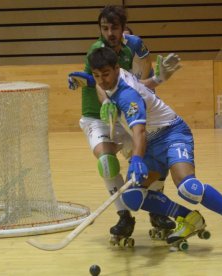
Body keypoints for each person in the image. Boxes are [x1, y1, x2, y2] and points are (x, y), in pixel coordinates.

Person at [90, 46, 222, 253]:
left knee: (187, 187)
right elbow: (120, 87)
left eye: (106, 74)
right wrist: (86, 79)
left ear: (116, 68)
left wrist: (137, 160)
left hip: (171, 133)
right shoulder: (116, 78)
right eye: (96, 76)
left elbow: (138, 132)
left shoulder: (127, 95)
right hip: (151, 142)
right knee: (131, 196)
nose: (102, 81)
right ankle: (189, 218)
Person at [68, 5, 178, 241]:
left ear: (123, 28)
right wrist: (106, 100)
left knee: (153, 158)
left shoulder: (133, 47)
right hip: (96, 116)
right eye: (104, 28)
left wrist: (158, 80)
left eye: (114, 28)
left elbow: (135, 83)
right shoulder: (96, 51)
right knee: (107, 163)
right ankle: (124, 216)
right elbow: (98, 84)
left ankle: (156, 211)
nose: (109, 33)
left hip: (121, 115)